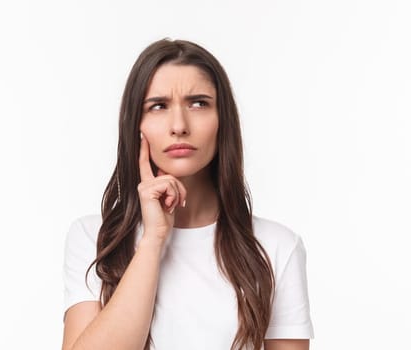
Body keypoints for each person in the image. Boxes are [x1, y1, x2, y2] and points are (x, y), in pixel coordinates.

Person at [61, 38, 314, 350]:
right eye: (158, 106)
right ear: (135, 125)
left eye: (199, 103)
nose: (179, 125)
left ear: (223, 122)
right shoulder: (94, 237)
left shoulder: (276, 246)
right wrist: (153, 240)